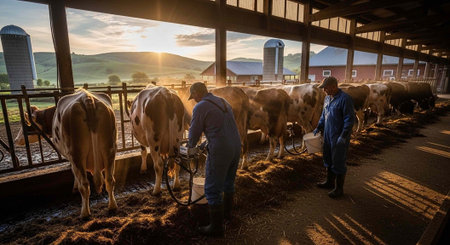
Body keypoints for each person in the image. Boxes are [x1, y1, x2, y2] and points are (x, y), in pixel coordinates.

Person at [188, 82, 241, 236]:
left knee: (211, 188)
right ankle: (227, 216)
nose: (194, 100)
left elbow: (193, 134)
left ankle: (216, 228)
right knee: (228, 183)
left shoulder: (200, 106)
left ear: (198, 93)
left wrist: (190, 148)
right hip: (236, 145)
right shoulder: (223, 101)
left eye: (194, 97)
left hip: (221, 150)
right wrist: (206, 143)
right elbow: (221, 127)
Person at [313, 76, 355, 198]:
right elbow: (323, 115)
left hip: (339, 136)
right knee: (328, 158)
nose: (324, 90)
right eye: (323, 88)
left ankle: (339, 189)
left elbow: (349, 119)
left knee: (338, 161)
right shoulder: (327, 98)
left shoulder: (345, 99)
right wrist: (319, 127)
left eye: (326, 88)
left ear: (334, 86)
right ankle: (329, 182)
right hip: (328, 134)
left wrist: (344, 135)